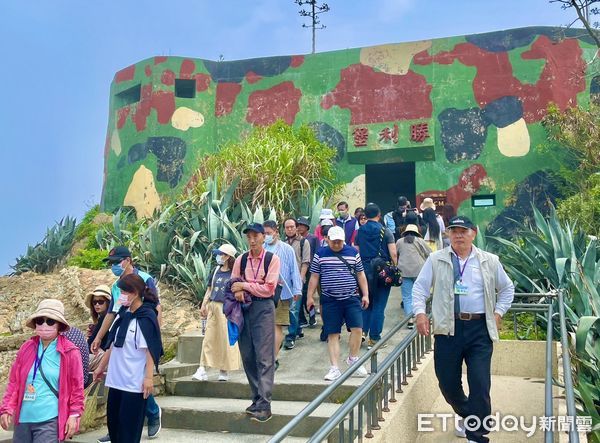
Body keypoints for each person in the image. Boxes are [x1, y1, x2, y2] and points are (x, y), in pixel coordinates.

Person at [413, 216, 514, 443]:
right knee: (447, 382)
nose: (458, 235)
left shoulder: (489, 261)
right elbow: (420, 288)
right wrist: (420, 313)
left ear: (473, 233)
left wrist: (498, 313)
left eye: (463, 230)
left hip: (479, 329)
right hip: (448, 329)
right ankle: (469, 415)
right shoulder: (436, 259)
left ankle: (476, 436)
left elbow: (507, 289)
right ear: (447, 234)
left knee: (479, 382)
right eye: (453, 230)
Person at [91, 246, 162, 441]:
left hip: (133, 383)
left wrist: (148, 378)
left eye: (125, 292)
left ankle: (154, 414)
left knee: (129, 433)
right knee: (115, 427)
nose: (121, 295)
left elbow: (149, 348)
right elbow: (114, 343)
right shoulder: (123, 315)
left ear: (136, 293)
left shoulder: (144, 315)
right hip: (116, 381)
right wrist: (101, 367)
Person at [0, 299, 84, 442]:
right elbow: (14, 382)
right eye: (40, 320)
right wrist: (7, 408)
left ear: (59, 325)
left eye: (50, 321)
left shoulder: (70, 352)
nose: (44, 325)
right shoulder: (26, 348)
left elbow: (77, 387)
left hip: (49, 421)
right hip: (23, 420)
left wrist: (74, 414)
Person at [230, 223, 281, 423]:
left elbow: (269, 289)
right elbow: (233, 284)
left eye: (256, 236)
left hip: (263, 309)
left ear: (263, 237)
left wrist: (244, 285)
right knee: (248, 355)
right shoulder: (241, 260)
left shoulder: (272, 259)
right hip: (243, 309)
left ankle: (265, 403)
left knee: (264, 356)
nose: (252, 240)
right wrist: (241, 288)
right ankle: (256, 398)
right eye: (249, 237)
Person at [307, 226, 370, 381]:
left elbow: (360, 274)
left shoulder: (353, 253)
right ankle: (334, 367)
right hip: (330, 299)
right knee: (332, 333)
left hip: (351, 297)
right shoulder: (320, 254)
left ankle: (353, 359)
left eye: (339, 242)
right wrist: (309, 296)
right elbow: (314, 276)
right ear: (327, 239)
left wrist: (366, 294)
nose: (336, 244)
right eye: (333, 241)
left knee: (357, 329)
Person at [193, 244, 242, 382]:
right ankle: (202, 368)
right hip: (213, 307)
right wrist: (204, 304)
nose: (218, 256)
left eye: (221, 254)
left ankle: (223, 370)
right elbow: (210, 289)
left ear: (227, 257)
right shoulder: (215, 271)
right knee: (208, 338)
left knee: (224, 339)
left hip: (226, 309)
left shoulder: (234, 273)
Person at [354, 203, 397, 349]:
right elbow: (393, 252)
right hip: (381, 272)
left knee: (366, 302)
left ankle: (362, 333)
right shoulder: (385, 231)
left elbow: (357, 251)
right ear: (379, 215)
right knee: (379, 305)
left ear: (365, 215)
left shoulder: (360, 231)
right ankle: (375, 338)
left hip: (364, 271)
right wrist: (395, 267)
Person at [262, 220, 302, 353]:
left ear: (275, 233)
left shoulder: (287, 249)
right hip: (263, 292)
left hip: (283, 292)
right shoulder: (261, 249)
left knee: (277, 324)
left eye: (268, 233)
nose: (266, 236)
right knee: (266, 325)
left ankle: (274, 356)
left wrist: (297, 289)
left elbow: (294, 270)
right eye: (264, 233)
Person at [395, 224, 431, 329]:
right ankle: (420, 316)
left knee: (407, 297)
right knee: (420, 294)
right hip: (419, 271)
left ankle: (409, 320)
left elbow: (394, 254)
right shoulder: (420, 241)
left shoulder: (399, 242)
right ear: (416, 233)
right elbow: (429, 253)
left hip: (404, 272)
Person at [283, 218, 312, 340]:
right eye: (287, 227)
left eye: (292, 227)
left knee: (293, 309)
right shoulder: (282, 243)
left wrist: (300, 279)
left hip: (297, 281)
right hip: (285, 282)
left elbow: (305, 262)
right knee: (293, 309)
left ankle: (290, 337)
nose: (289, 229)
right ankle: (298, 328)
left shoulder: (303, 242)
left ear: (296, 228)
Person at [296, 216, 319, 328]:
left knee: (307, 295)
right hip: (298, 270)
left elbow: (316, 253)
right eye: (298, 225)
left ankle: (312, 316)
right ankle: (301, 319)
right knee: (298, 295)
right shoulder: (295, 240)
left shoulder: (313, 238)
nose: (299, 227)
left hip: (310, 270)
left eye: (301, 225)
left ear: (306, 227)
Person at [85, 285, 112, 373]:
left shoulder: (104, 319)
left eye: (100, 302)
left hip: (105, 357)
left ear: (108, 303)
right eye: (95, 302)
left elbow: (90, 345)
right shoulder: (101, 320)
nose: (97, 304)